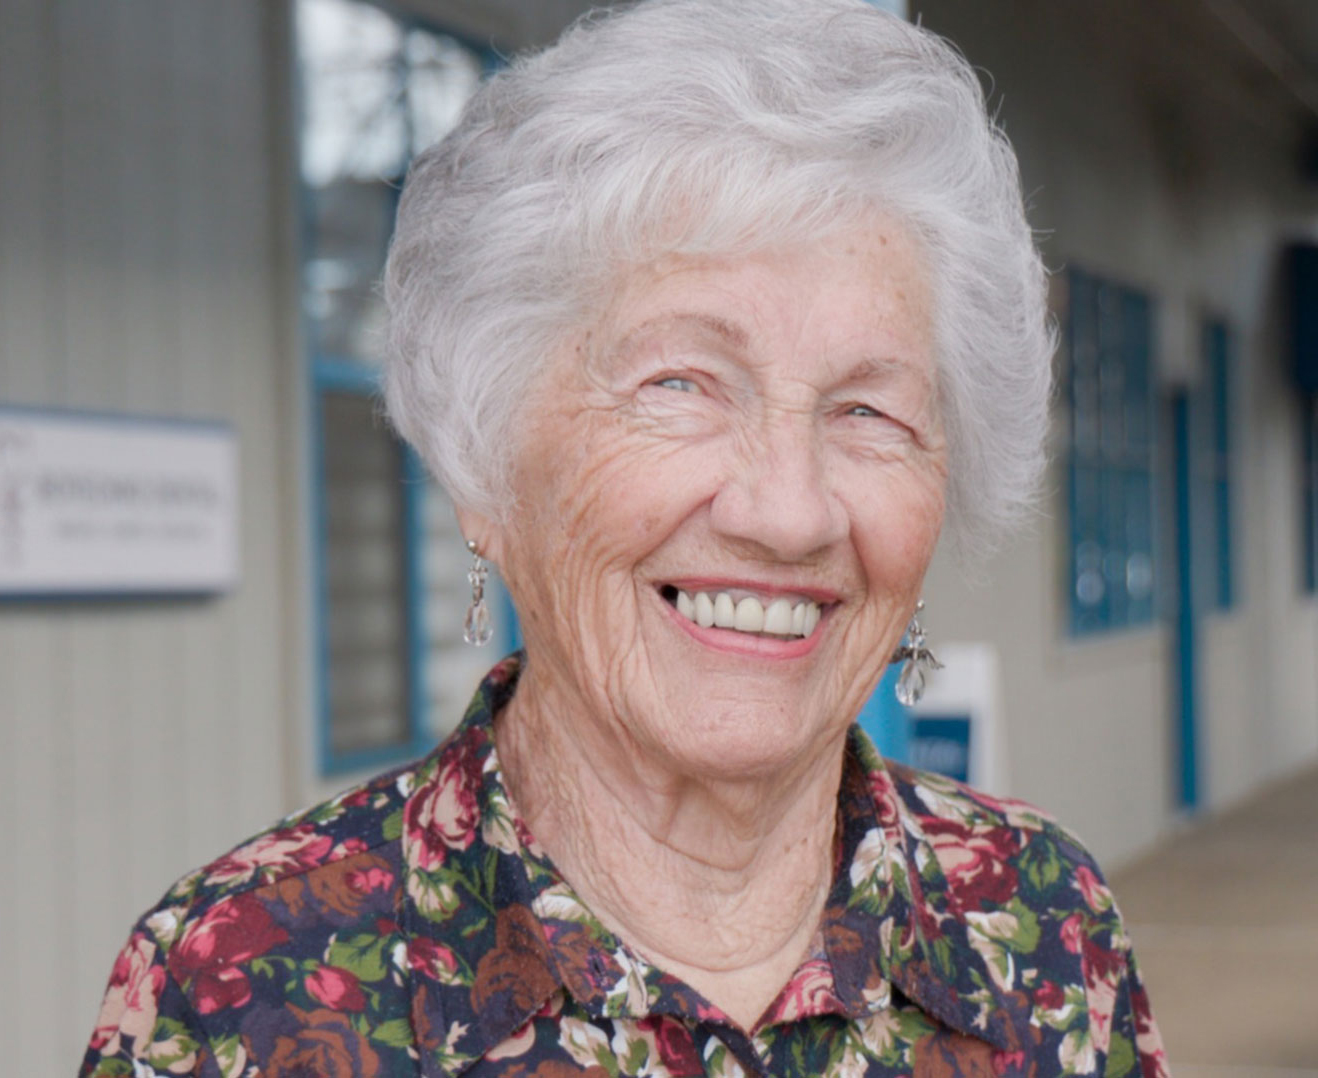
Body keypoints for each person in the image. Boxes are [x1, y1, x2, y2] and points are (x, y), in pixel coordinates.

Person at [82, 1, 1168, 1075]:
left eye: (867, 411)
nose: (786, 512)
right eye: (679, 384)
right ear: (484, 465)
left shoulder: (1044, 923)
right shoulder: (238, 986)